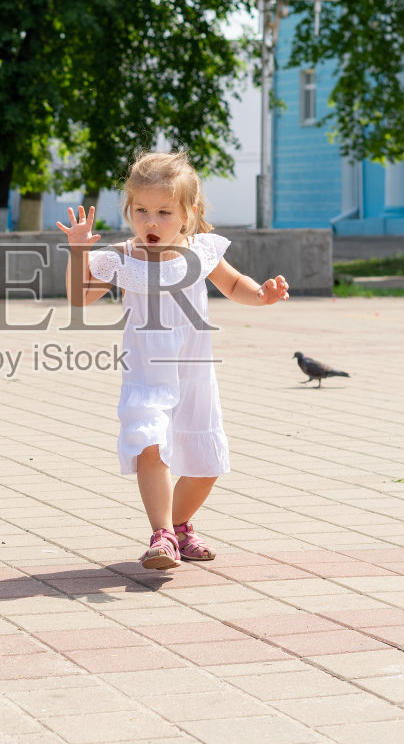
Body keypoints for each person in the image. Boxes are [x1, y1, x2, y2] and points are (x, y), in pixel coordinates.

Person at [58, 151, 289, 570]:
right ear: (129, 210)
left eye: (164, 212)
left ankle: (180, 526)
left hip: (195, 379)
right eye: (141, 210)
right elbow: (79, 297)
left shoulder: (201, 252)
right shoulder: (122, 257)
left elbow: (234, 284)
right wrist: (77, 254)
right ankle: (161, 536)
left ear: (188, 213)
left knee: (205, 465)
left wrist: (261, 295)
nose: (151, 221)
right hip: (146, 377)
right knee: (151, 446)